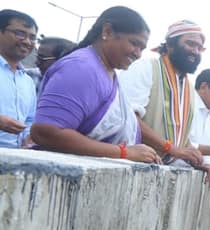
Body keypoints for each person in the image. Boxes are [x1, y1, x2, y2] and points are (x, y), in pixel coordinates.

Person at [30, 6, 160, 163]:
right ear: (107, 32)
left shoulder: (107, 72)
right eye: (134, 43)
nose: (138, 53)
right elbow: (46, 132)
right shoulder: (81, 68)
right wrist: (124, 152)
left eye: (142, 48)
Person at [119, 20, 210, 186]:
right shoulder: (145, 68)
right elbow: (129, 118)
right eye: (190, 44)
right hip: (134, 169)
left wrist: (197, 160)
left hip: (164, 174)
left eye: (199, 47)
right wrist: (173, 149)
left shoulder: (188, 86)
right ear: (170, 44)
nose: (195, 51)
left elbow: (180, 137)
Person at [0, 9, 37, 148]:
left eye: (32, 37)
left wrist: (28, 138)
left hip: (13, 161)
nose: (27, 41)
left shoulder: (27, 82)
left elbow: (29, 120)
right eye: (20, 33)